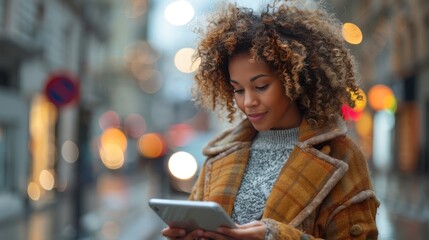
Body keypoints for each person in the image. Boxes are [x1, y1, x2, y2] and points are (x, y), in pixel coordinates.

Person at [162, 0, 379, 239]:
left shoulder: (341, 156)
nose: (248, 102)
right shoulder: (221, 154)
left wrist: (276, 236)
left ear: (294, 80)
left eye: (261, 86)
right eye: (238, 90)